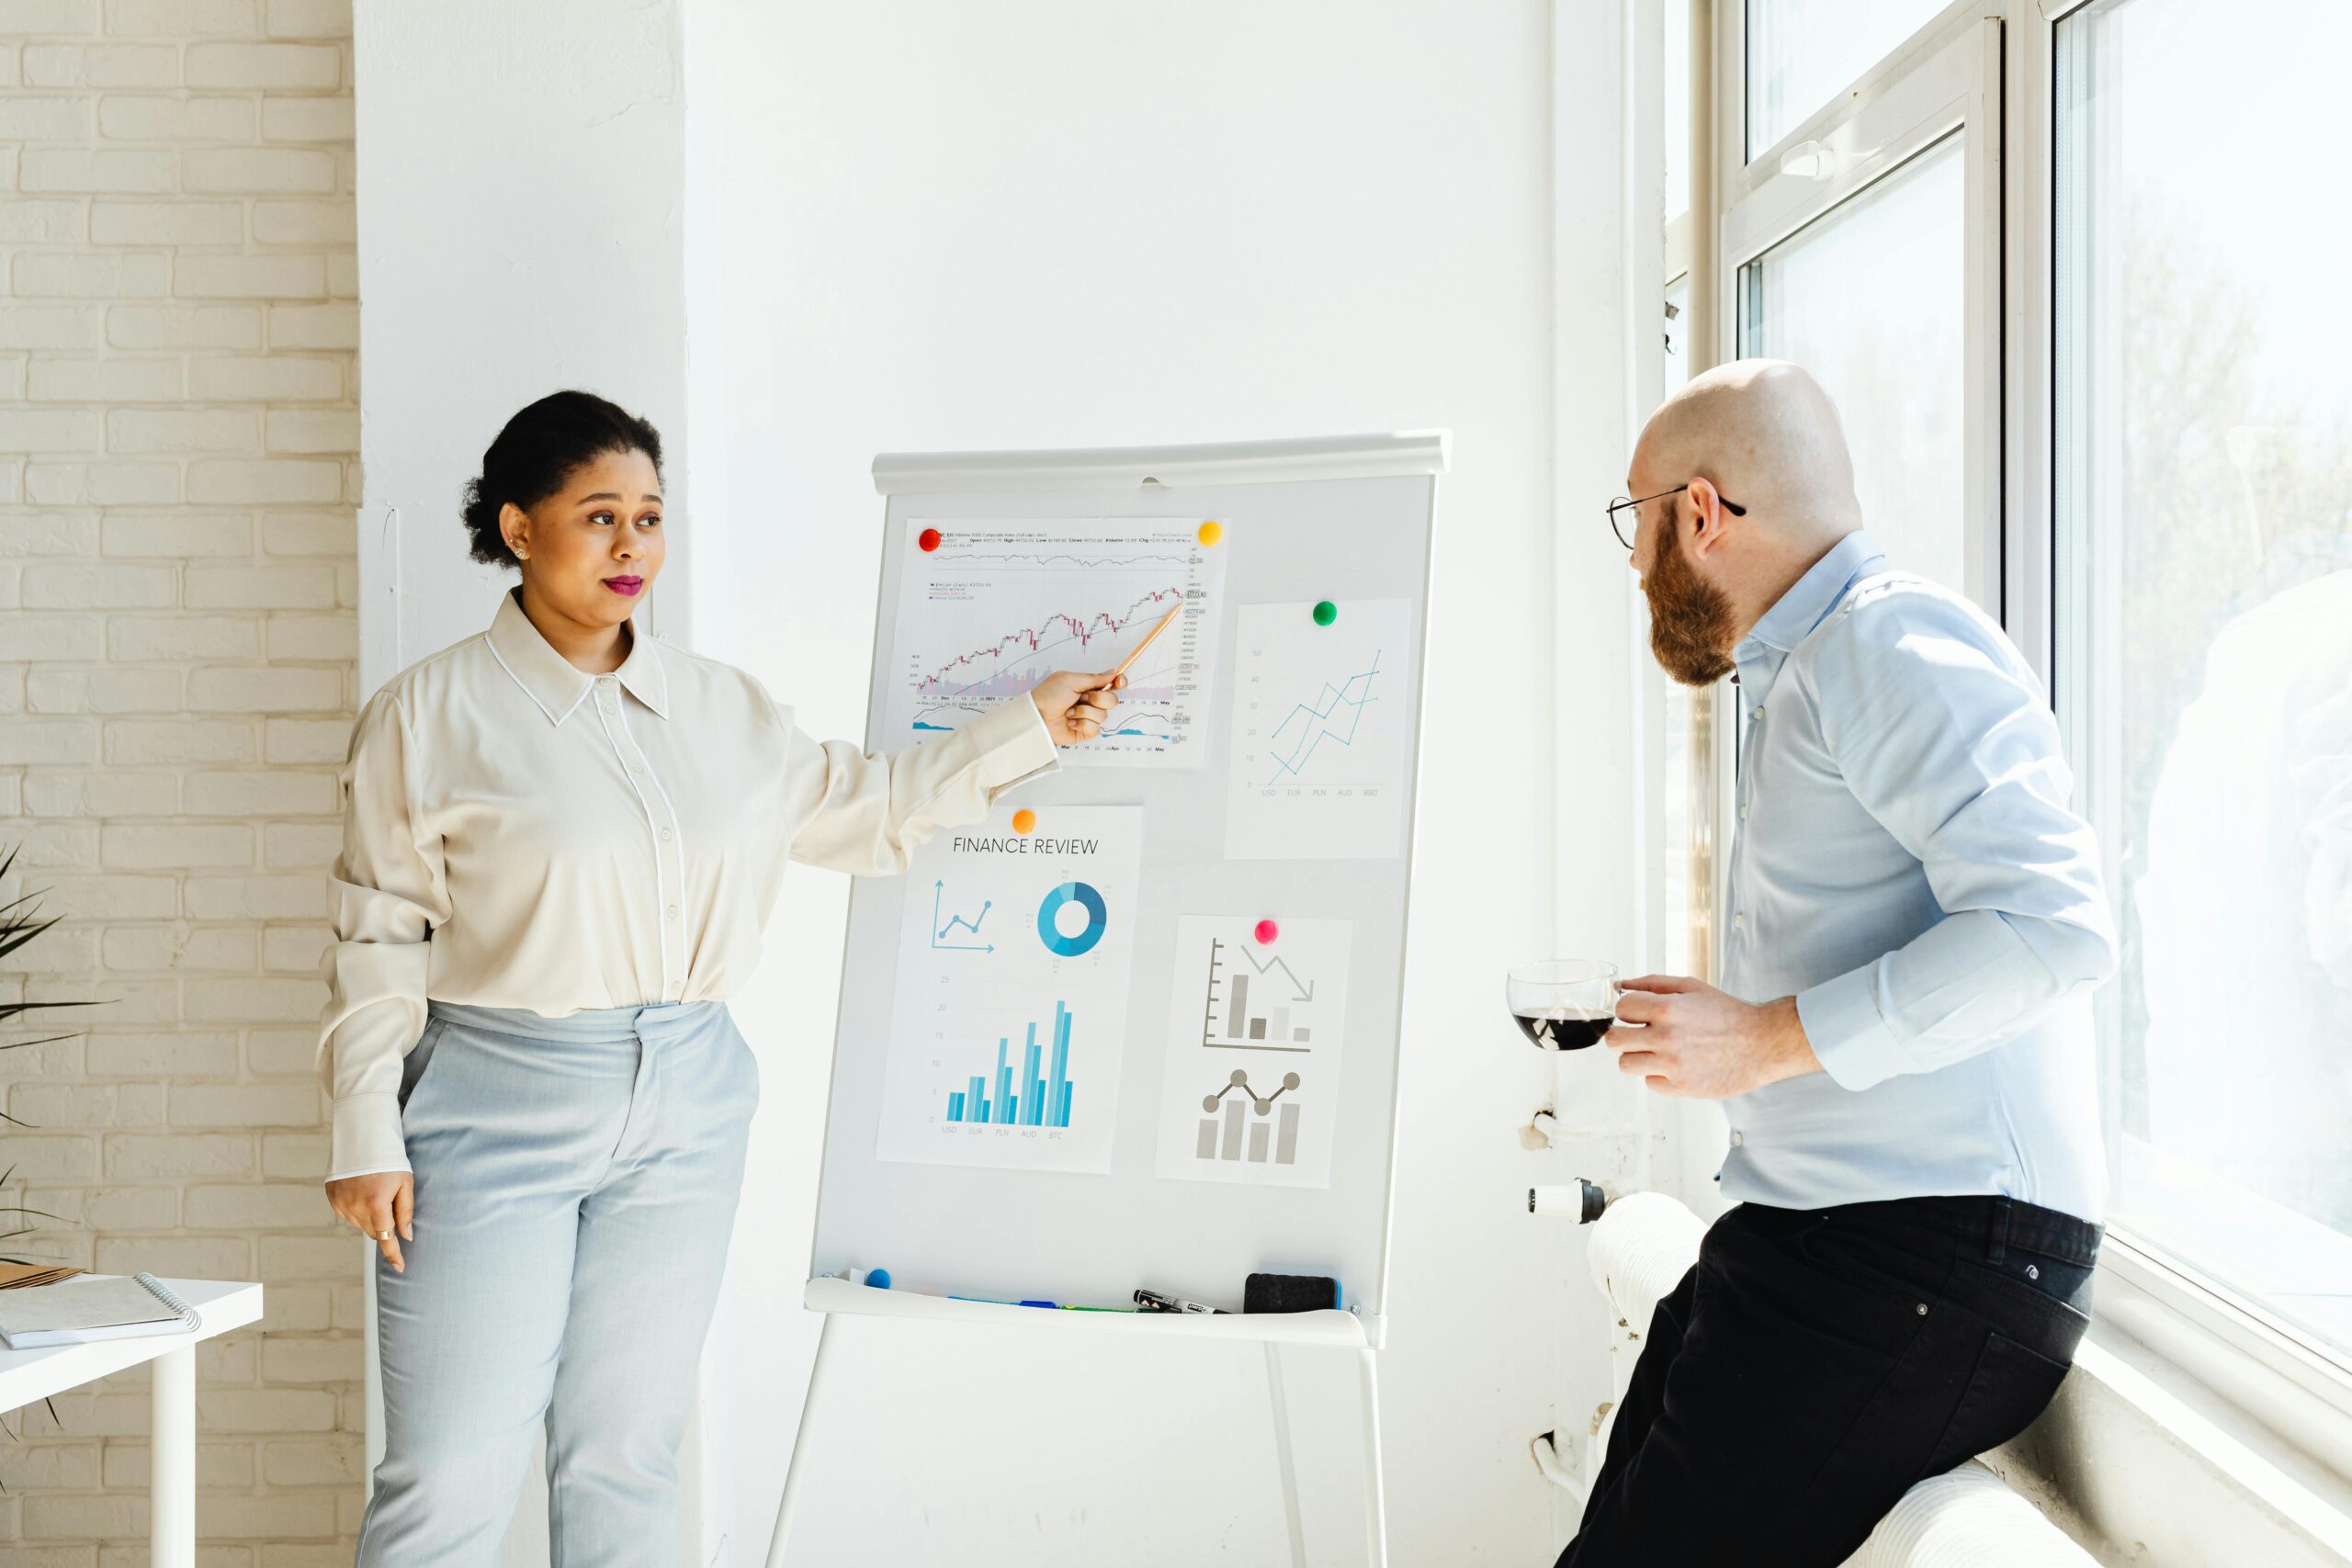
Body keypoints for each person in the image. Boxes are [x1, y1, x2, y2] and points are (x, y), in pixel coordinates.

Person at [317, 389, 1125, 1565]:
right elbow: (374, 932)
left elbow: (871, 811)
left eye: (649, 517)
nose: (632, 543)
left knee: (627, 1457)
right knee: (450, 1471)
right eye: (599, 517)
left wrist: (1031, 728)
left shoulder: (723, 706)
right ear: (519, 527)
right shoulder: (427, 716)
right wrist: (362, 1128)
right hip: (493, 1098)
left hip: (690, 1097)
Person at [1556, 360, 2116, 1566]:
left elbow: (2052, 925)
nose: (1636, 560)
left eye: (1636, 521)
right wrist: (1736, 1036)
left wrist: (1760, 1038)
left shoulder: (1888, 642)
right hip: (1822, 1239)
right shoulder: (1814, 670)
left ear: (1699, 514)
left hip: (1923, 1260)